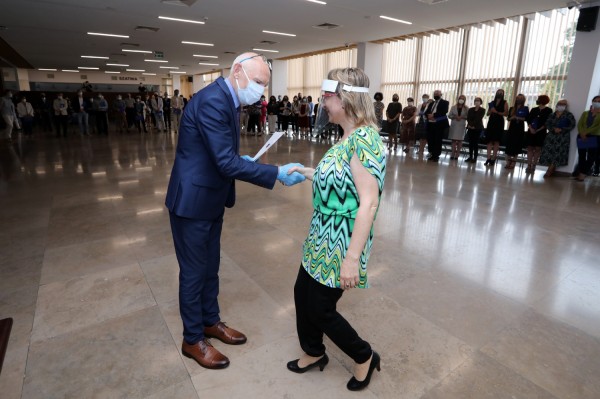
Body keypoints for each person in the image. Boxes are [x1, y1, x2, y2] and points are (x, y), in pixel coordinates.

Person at [165, 52, 306, 370]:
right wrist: (276, 174)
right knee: (193, 273)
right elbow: (224, 162)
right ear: (238, 71)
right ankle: (192, 339)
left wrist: (242, 160)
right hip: (192, 203)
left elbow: (220, 153)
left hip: (210, 198)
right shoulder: (214, 100)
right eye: (257, 82)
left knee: (210, 266)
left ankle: (209, 322)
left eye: (264, 85)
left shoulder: (227, 99)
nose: (260, 91)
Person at [286, 67, 385, 392]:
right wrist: (305, 171)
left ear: (346, 99)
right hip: (320, 236)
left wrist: (351, 259)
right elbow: (340, 181)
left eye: (327, 96)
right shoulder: (347, 136)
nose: (322, 102)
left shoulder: (365, 140)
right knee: (303, 294)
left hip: (341, 242)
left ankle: (364, 355)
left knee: (321, 308)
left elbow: (368, 202)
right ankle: (313, 352)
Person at [539, 99, 576, 178]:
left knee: (558, 154)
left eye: (563, 104)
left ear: (566, 106)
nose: (561, 105)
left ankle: (549, 170)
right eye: (560, 103)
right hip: (551, 137)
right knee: (549, 153)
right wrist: (553, 129)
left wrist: (562, 129)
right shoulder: (552, 114)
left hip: (562, 138)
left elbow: (572, 125)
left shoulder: (569, 115)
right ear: (557, 105)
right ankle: (551, 168)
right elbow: (547, 123)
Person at [573, 95, 600, 181]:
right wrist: (581, 133)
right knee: (581, 155)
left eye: (599, 101)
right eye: (595, 100)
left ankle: (583, 173)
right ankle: (581, 172)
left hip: (594, 136)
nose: (597, 102)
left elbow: (597, 127)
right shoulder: (585, 113)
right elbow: (580, 124)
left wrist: (586, 132)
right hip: (581, 136)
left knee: (591, 156)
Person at [525, 95, 553, 173]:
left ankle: (534, 165)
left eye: (539, 99)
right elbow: (529, 120)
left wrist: (537, 130)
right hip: (531, 132)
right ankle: (529, 165)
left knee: (537, 149)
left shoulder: (549, 110)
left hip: (541, 132)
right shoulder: (534, 109)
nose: (537, 100)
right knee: (530, 148)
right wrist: (531, 128)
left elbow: (547, 122)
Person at [504, 94, 529, 169]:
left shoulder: (525, 108)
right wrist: (512, 118)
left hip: (519, 129)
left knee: (517, 145)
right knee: (510, 144)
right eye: (517, 98)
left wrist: (517, 117)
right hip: (512, 128)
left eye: (520, 98)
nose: (519, 99)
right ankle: (508, 162)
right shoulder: (512, 108)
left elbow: (526, 118)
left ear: (523, 100)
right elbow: (508, 118)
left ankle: (513, 162)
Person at [485, 89, 508, 166]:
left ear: (503, 94)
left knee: (496, 141)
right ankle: (488, 157)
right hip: (491, 122)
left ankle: (493, 158)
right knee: (489, 140)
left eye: (501, 92)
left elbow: (506, 113)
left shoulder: (505, 102)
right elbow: (487, 114)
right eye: (498, 92)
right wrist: (491, 111)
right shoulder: (492, 102)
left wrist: (497, 112)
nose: (499, 93)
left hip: (499, 123)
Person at [425, 89, 449, 162]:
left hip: (439, 124)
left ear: (441, 94)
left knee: (437, 140)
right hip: (430, 124)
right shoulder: (431, 103)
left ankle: (436, 155)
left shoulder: (445, 102)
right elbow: (426, 112)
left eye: (437, 94)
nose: (436, 95)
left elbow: (444, 111)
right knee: (430, 140)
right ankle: (431, 153)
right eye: (435, 94)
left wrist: (433, 115)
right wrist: (428, 115)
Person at [447, 95, 468, 160]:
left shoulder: (466, 108)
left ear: (464, 100)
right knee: (453, 140)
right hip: (454, 124)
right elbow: (449, 115)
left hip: (461, 125)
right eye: (460, 98)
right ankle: (452, 153)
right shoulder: (453, 107)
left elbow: (468, 116)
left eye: (463, 99)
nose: (461, 99)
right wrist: (455, 117)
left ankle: (457, 154)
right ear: (458, 99)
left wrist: (462, 117)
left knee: (459, 140)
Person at [466, 97, 485, 163]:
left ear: (480, 102)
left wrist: (473, 125)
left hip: (478, 128)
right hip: (470, 128)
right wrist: (470, 125)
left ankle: (475, 158)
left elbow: (478, 119)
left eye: (478, 101)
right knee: (470, 143)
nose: (477, 102)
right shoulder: (470, 109)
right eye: (475, 100)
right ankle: (470, 157)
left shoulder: (482, 110)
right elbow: (468, 118)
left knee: (475, 143)